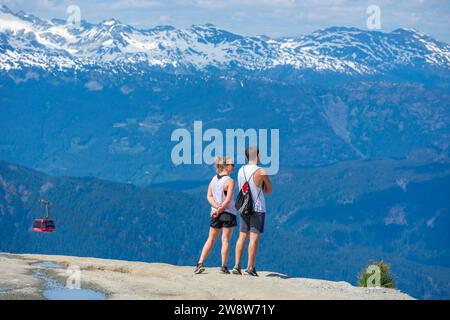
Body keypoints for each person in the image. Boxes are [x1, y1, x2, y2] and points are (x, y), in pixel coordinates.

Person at [233, 147, 272, 276]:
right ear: (258, 155)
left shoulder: (240, 170)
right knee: (253, 238)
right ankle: (250, 267)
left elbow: (242, 188)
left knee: (242, 235)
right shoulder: (261, 171)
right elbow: (269, 190)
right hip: (257, 208)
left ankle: (237, 265)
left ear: (246, 157)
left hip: (244, 207)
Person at [194, 156, 237, 274]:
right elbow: (228, 200)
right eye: (232, 164)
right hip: (228, 213)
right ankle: (223, 266)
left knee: (211, 239)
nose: (234, 166)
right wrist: (221, 209)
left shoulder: (213, 179)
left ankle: (200, 263)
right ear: (227, 166)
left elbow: (209, 196)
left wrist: (216, 208)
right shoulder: (230, 181)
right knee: (225, 239)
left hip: (214, 213)